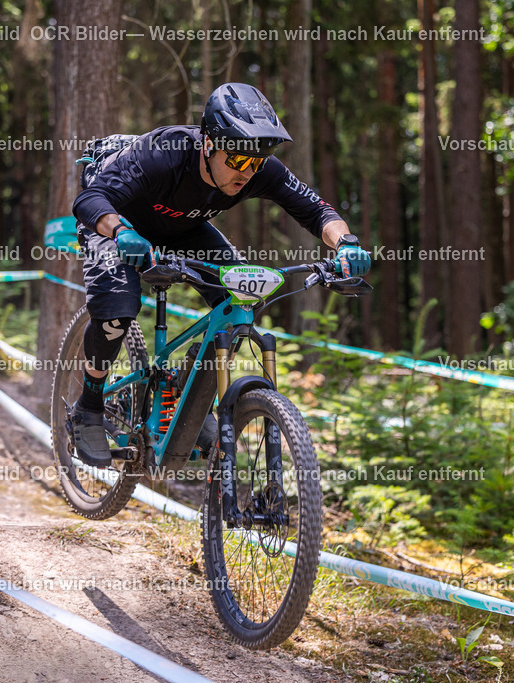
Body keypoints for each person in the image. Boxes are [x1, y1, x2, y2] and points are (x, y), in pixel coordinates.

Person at [69, 82, 371, 467]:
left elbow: (317, 211)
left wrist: (346, 244)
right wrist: (121, 232)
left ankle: (186, 393)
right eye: (239, 160)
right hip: (115, 221)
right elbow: (89, 199)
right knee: (117, 309)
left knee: (241, 296)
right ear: (209, 144)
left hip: (182, 229)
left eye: (256, 162)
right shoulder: (165, 153)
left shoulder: (256, 168)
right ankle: (89, 407)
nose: (247, 172)